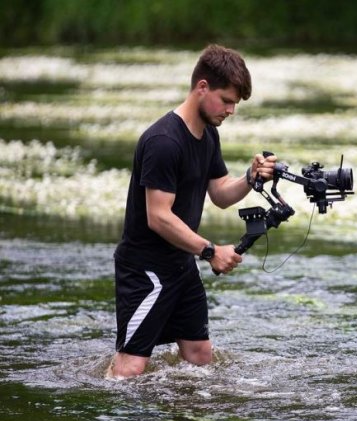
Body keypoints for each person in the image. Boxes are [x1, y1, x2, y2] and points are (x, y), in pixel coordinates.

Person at [109, 44, 276, 378]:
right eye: (226, 100)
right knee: (130, 368)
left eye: (235, 103)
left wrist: (249, 177)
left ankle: (186, 418)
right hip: (147, 271)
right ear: (202, 87)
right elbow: (158, 216)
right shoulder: (163, 141)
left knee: (200, 356)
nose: (231, 110)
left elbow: (220, 194)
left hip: (181, 264)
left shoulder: (208, 135)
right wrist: (210, 250)